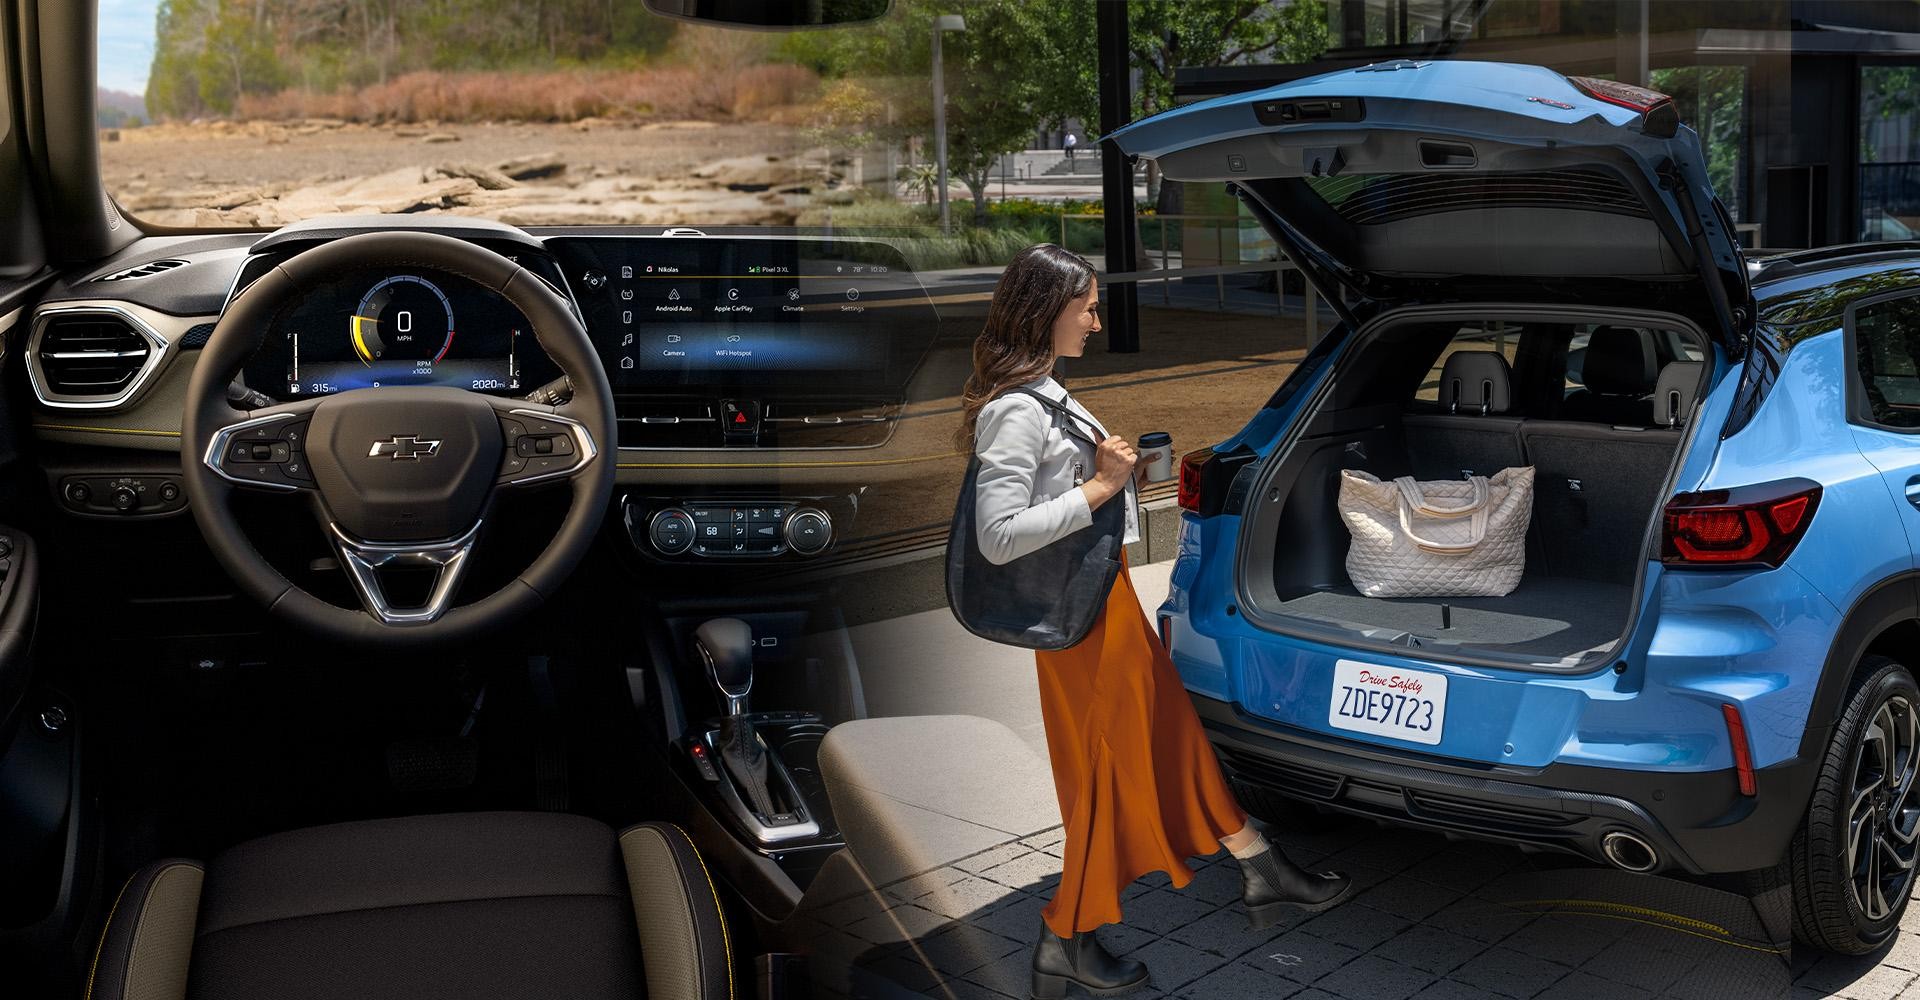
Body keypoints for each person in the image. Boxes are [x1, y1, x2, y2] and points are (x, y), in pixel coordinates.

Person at [957, 244, 1351, 998]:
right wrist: (1104, 488)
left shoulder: (1044, 392)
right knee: (1108, 769)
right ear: (1046, 311)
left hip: (1104, 603)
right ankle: (1064, 935)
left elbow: (1074, 491)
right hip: (1076, 625)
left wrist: (1124, 480)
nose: (1097, 323)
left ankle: (1260, 863)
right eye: (1088, 308)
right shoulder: (1013, 411)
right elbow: (997, 534)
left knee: (1169, 731)